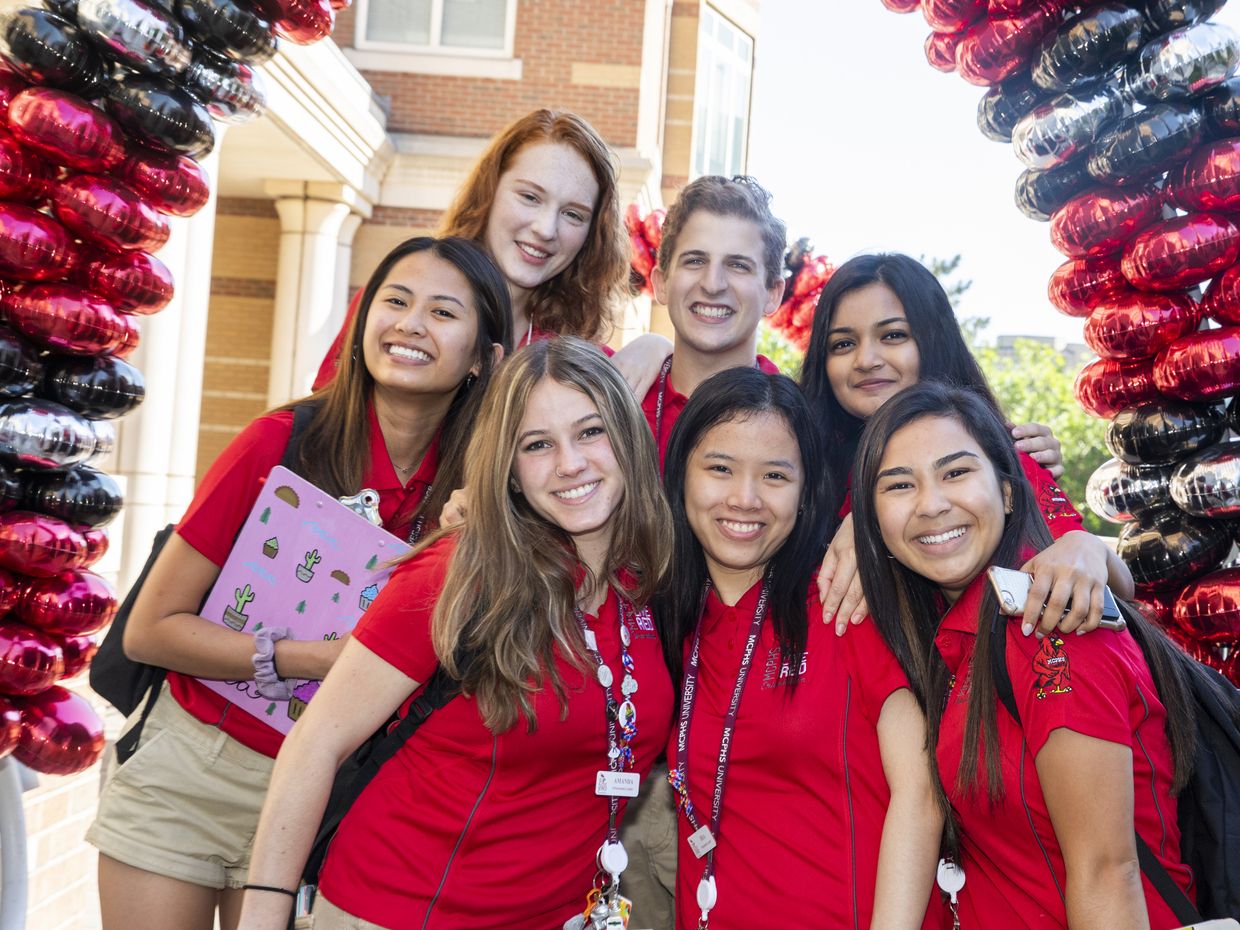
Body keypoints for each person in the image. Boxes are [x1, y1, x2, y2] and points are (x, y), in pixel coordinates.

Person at [86, 236, 512, 930]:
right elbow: (152, 628)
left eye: (443, 312)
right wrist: (310, 659)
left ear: (484, 358)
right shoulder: (278, 442)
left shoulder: (477, 495)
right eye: (395, 301)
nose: (409, 324)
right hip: (191, 771)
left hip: (331, 799)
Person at [237, 338, 674, 930]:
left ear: (629, 440)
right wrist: (264, 915)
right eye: (537, 445)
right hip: (400, 910)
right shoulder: (459, 572)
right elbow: (318, 743)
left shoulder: (644, 586)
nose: (570, 463)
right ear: (511, 472)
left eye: (591, 432)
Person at [851, 382, 1197, 930]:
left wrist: (1086, 546)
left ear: (1009, 494)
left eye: (956, 472)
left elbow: (1106, 872)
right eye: (899, 485)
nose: (932, 504)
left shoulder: (1053, 625)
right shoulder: (959, 637)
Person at [659, 367, 943, 930]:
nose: (745, 499)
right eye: (720, 468)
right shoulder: (667, 607)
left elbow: (922, 792)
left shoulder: (844, 601)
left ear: (807, 489)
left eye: (775, 476)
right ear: (680, 476)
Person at [799, 252, 1132, 635]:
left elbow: (1118, 587)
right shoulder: (798, 470)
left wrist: (1086, 547)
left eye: (893, 336)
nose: (866, 360)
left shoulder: (997, 455)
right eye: (842, 344)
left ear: (932, 339)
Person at [315, 108, 670, 389]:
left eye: (573, 214)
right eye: (530, 197)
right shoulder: (396, 311)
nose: (545, 229)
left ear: (592, 234)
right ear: (491, 191)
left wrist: (659, 348)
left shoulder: (578, 360)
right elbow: (318, 433)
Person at [641, 175, 784, 466]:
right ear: (662, 283)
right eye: (695, 260)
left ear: (772, 293)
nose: (713, 284)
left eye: (738, 265)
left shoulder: (802, 424)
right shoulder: (612, 399)